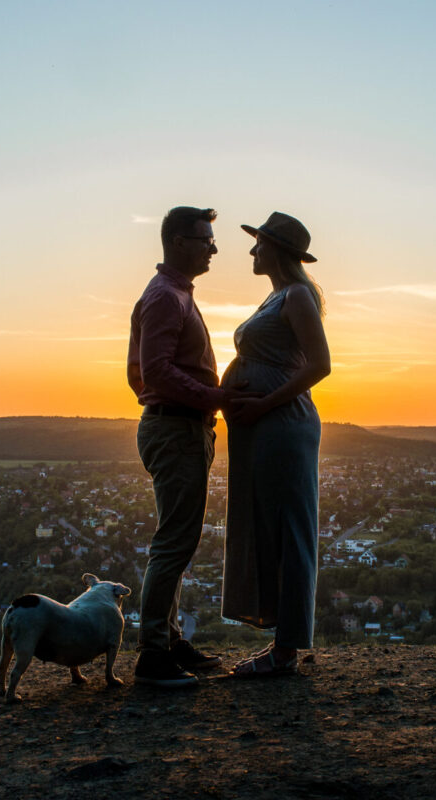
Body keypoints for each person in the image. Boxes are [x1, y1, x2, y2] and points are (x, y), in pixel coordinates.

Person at [126, 205, 237, 687]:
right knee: (173, 543)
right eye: (205, 239)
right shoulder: (167, 298)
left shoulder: (173, 295)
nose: (214, 248)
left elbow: (141, 375)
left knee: (178, 540)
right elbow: (155, 371)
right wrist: (212, 398)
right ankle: (154, 656)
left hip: (177, 426)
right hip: (177, 430)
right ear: (177, 242)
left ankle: (169, 641)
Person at [221, 211, 331, 678]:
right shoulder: (277, 297)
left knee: (290, 528)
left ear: (277, 251)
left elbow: (320, 365)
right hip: (265, 425)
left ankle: (285, 651)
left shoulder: (298, 295)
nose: (252, 252)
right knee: (267, 526)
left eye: (259, 244)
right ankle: (280, 643)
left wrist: (263, 404)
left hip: (283, 424)